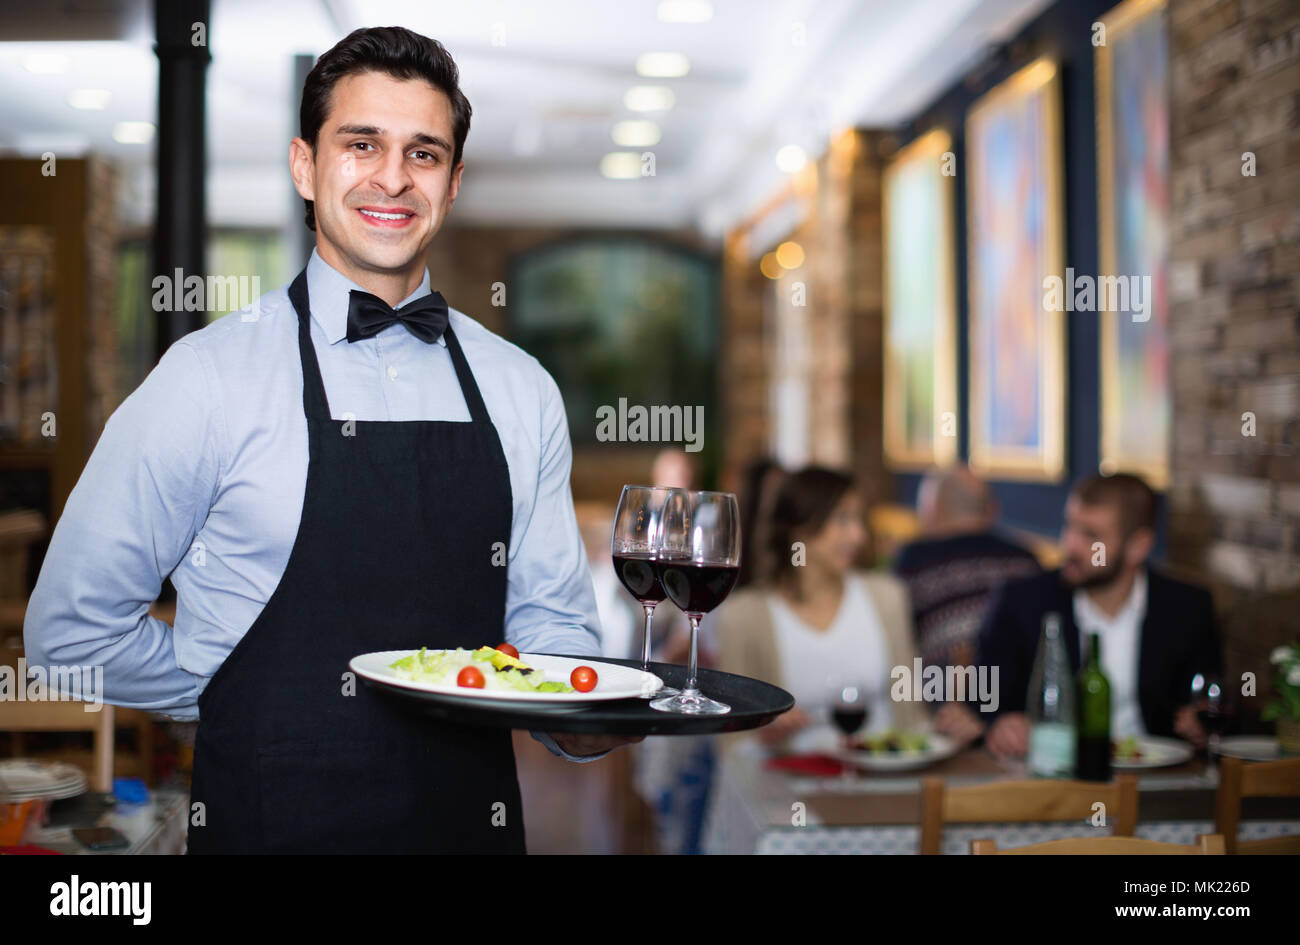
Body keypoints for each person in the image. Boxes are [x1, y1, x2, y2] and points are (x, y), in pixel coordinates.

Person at [23, 27, 637, 854]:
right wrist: (237, 687)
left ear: (452, 184)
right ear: (305, 166)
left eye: (424, 154)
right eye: (361, 144)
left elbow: (555, 629)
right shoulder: (206, 378)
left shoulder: (521, 387)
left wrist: (591, 720)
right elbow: (70, 631)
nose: (392, 176)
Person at [977, 473, 1222, 759]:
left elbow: (1208, 702)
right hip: (1051, 782)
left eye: (1091, 535)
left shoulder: (1188, 609)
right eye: (1070, 526)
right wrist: (999, 723)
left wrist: (1197, 722)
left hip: (1157, 781)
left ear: (1138, 546)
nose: (1069, 544)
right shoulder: (1021, 602)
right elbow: (983, 700)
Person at [714, 467, 928, 753]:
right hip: (790, 788)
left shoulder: (887, 598)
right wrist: (764, 735)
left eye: (858, 520)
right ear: (799, 529)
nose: (858, 536)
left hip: (887, 780)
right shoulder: (744, 616)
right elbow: (732, 744)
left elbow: (914, 718)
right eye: (843, 520)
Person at [893, 464, 1041, 670]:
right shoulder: (1024, 559)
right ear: (992, 509)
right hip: (1023, 687)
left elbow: (891, 637)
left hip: (943, 691)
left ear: (935, 509)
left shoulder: (914, 561)